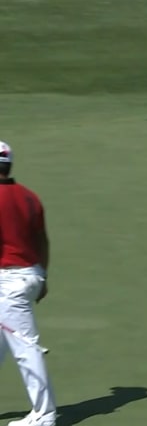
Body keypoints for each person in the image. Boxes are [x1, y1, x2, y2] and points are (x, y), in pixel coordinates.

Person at [0, 141, 57, 426]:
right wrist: (43, 277)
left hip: (9, 283)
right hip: (32, 275)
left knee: (26, 349)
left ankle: (44, 415)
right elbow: (42, 241)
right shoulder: (30, 197)